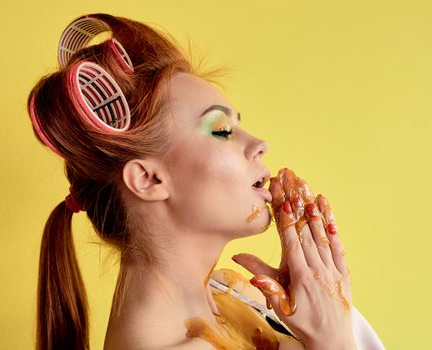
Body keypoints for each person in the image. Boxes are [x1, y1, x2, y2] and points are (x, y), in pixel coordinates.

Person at [28, 13, 385, 350]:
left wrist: (329, 313)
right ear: (149, 179)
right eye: (221, 130)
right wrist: (333, 339)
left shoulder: (239, 295)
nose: (259, 145)